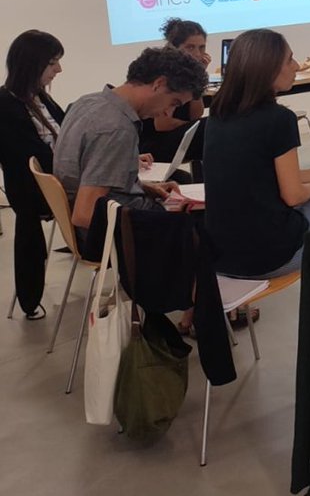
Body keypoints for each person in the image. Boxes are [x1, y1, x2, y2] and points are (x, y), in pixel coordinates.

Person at [203, 29, 310, 279]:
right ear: (267, 69)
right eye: (289, 60)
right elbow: (293, 195)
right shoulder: (279, 119)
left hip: (220, 255)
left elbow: (259, 174)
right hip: (266, 258)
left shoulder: (218, 115)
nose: (297, 66)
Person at [54, 47, 209, 233]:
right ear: (159, 84)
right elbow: (85, 214)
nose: (168, 112)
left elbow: (89, 177)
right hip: (115, 235)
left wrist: (144, 187)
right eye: (174, 103)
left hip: (113, 216)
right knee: (209, 224)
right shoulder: (116, 128)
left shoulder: (88, 102)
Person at [0, 31, 66, 319]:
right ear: (32, 64)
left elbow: (68, 135)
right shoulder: (5, 104)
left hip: (60, 179)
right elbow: (34, 157)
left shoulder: (40, 98)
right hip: (33, 190)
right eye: (53, 63)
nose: (59, 70)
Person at [139, 18, 209, 168]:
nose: (197, 54)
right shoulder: (165, 73)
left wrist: (199, 76)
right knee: (209, 128)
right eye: (190, 47)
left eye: (202, 47)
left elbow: (195, 114)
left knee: (208, 129)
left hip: (173, 134)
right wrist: (193, 126)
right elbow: (162, 125)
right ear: (174, 47)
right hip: (154, 144)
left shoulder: (188, 73)